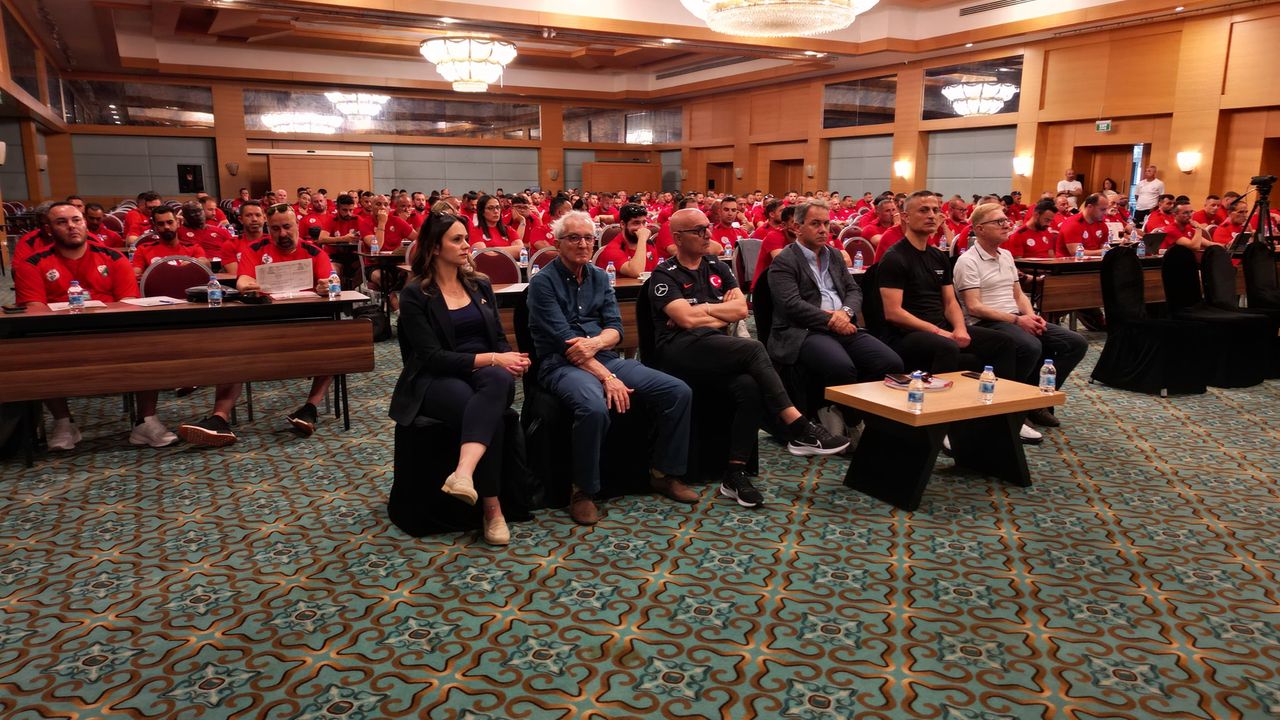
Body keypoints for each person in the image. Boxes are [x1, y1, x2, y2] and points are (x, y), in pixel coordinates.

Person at [648, 206, 851, 497]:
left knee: (749, 386)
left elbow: (742, 310)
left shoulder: (717, 266)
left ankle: (735, 473)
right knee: (753, 348)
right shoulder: (664, 274)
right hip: (678, 349)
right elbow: (686, 321)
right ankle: (798, 426)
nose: (708, 235)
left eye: (708, 228)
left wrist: (702, 310)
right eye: (699, 231)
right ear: (678, 238)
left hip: (715, 346)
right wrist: (715, 311)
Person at [527, 210, 695, 525]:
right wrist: (608, 377)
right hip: (559, 364)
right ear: (558, 243)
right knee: (592, 407)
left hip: (603, 356)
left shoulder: (600, 277)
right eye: (573, 238)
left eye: (588, 238)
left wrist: (597, 345)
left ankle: (664, 472)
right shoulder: (542, 283)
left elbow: (616, 328)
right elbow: (566, 344)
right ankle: (583, 491)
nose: (582, 244)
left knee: (677, 391)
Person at [389, 213, 530, 545]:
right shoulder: (415, 294)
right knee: (483, 412)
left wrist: (508, 359)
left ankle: (463, 473)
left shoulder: (479, 284)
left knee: (497, 382)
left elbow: (498, 338)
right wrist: (494, 359)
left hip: (488, 374)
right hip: (436, 378)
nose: (467, 245)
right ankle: (493, 509)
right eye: (457, 239)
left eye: (466, 237)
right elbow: (431, 357)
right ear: (435, 247)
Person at [15, 203, 178, 450]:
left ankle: (145, 421)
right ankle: (63, 423)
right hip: (59, 335)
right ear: (48, 229)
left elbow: (128, 303)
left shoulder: (113, 258)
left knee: (148, 344)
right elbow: (35, 311)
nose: (71, 226)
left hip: (111, 332)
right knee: (35, 348)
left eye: (76, 220)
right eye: (62, 222)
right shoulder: (33, 263)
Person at [178, 205, 338, 447]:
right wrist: (245, 284)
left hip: (306, 324)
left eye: (287, 227)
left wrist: (326, 285)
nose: (282, 234)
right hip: (265, 322)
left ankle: (310, 409)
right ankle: (219, 419)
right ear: (268, 229)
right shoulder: (254, 249)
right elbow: (243, 278)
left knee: (336, 342)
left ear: (297, 225)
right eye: (275, 229)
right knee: (232, 347)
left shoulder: (314, 252)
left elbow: (331, 280)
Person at [954, 203, 1088, 429]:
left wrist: (1032, 316)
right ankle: (1015, 408)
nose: (1007, 225)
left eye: (1006, 220)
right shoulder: (968, 261)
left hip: (1016, 317)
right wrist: (1017, 320)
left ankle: (1034, 401)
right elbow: (974, 307)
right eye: (998, 222)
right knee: (1030, 346)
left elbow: (1018, 294)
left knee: (1075, 343)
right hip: (988, 322)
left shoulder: (1005, 255)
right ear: (980, 229)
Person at [766, 199, 903, 420]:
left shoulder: (834, 255)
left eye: (826, 224)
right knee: (841, 367)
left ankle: (865, 415)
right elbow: (792, 304)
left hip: (843, 323)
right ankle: (851, 420)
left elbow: (853, 290)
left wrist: (845, 313)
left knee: (890, 362)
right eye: (815, 224)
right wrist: (832, 320)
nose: (823, 230)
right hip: (804, 331)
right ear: (797, 227)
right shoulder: (785, 261)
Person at [877, 191, 1019, 385]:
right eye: (924, 210)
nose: (931, 215)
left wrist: (960, 328)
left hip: (942, 328)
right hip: (908, 333)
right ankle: (940, 402)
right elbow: (894, 313)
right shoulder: (895, 257)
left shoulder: (938, 256)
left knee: (1003, 342)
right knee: (947, 346)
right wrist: (937, 331)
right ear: (906, 217)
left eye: (935, 210)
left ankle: (998, 402)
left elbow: (951, 302)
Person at [132, 205, 206, 279]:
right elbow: (136, 274)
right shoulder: (143, 249)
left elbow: (205, 263)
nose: (166, 227)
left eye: (170, 222)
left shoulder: (193, 247)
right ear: (155, 226)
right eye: (161, 224)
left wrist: (193, 262)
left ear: (178, 223)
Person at [595, 203, 665, 278]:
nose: (642, 228)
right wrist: (642, 238)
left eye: (644, 222)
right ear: (622, 224)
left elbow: (657, 273)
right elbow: (637, 272)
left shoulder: (649, 244)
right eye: (636, 223)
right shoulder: (612, 249)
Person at [469, 194, 524, 258]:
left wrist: (492, 249)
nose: (496, 211)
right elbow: (483, 255)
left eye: (498, 207)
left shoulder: (508, 229)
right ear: (482, 212)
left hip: (509, 264)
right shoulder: (475, 231)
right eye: (490, 208)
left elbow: (521, 251)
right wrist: (510, 250)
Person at [1057, 193, 1111, 257]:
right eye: (1102, 209)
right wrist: (1104, 252)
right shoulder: (1072, 224)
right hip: (1069, 262)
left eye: (1106, 209)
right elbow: (1076, 253)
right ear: (1090, 207)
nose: (1106, 213)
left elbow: (1104, 247)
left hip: (1094, 261)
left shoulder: (1102, 225)